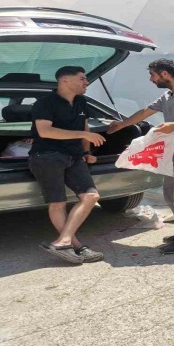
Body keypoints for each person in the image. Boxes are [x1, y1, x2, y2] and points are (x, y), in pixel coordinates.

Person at [107, 59, 174, 255]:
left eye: (153, 75)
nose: (151, 79)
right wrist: (121, 125)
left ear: (165, 73)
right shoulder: (167, 96)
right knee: (170, 193)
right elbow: (144, 113)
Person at [31, 66, 106, 264]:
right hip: (47, 156)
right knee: (58, 203)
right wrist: (84, 135)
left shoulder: (81, 101)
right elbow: (45, 131)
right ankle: (76, 245)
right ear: (65, 81)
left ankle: (62, 242)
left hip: (74, 157)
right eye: (82, 79)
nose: (86, 82)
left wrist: (87, 152)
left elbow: (85, 127)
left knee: (91, 196)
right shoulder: (44, 103)